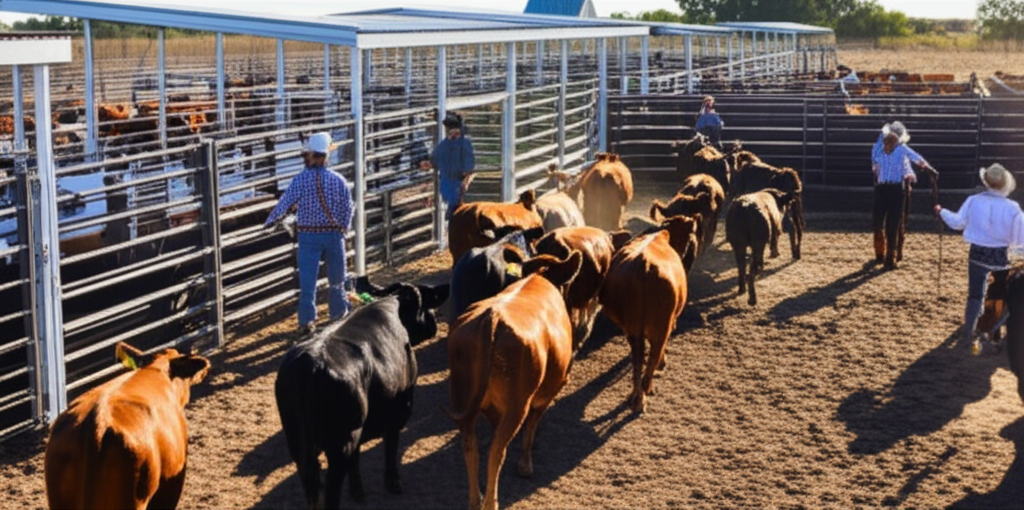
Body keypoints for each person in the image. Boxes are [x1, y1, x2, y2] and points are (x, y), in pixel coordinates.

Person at [265, 132, 353, 334]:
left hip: (308, 236)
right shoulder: (338, 180)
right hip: (333, 235)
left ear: (313, 156)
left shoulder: (300, 180)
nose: (305, 159)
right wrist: (343, 228)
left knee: (307, 284)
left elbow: (283, 205)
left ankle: (307, 323)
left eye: (307, 155)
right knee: (337, 281)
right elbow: (347, 208)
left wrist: (268, 224)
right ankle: (338, 318)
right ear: (326, 155)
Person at [936, 163, 1024, 348]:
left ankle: (969, 330)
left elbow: (957, 222)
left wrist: (941, 211)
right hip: (1000, 255)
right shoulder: (1013, 207)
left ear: (987, 182)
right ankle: (994, 332)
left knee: (975, 295)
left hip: (977, 253)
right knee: (999, 293)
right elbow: (1020, 236)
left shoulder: (974, 200)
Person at [870, 121, 937, 270]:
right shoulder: (877, 149)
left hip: (895, 189)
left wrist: (929, 169)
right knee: (877, 224)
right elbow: (874, 163)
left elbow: (917, 158)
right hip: (882, 188)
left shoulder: (902, 149)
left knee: (893, 225)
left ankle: (890, 257)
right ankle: (881, 253)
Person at [420, 112, 475, 221]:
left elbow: (431, 163)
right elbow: (468, 169)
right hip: (453, 187)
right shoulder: (462, 144)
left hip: (449, 186)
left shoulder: (444, 146)